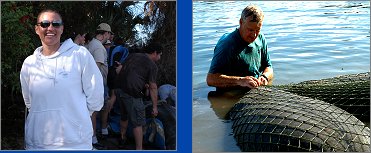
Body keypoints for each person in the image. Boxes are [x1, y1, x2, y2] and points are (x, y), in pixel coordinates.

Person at [19, 9, 104, 150]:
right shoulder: (29, 63)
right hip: (37, 144)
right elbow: (30, 102)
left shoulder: (79, 55)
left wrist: (75, 117)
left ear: (62, 28)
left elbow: (96, 97)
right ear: (37, 29)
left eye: (56, 24)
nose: (50, 28)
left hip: (75, 144)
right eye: (45, 24)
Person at [206, 4, 273, 92]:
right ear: (241, 22)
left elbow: (269, 67)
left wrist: (265, 77)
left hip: (254, 91)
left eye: (258, 30)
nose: (254, 35)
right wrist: (240, 81)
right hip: (232, 94)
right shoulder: (227, 44)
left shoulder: (261, 38)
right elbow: (210, 79)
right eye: (250, 30)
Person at [114, 42, 162, 150]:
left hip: (118, 88)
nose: (159, 57)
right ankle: (139, 149)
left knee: (124, 116)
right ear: (155, 53)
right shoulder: (152, 65)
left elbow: (121, 70)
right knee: (138, 123)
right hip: (131, 93)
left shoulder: (133, 56)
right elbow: (153, 87)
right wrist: (154, 107)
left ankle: (122, 138)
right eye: (160, 55)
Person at [86, 22, 112, 149]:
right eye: (109, 34)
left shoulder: (92, 44)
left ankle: (98, 133)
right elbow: (96, 68)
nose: (109, 37)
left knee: (98, 110)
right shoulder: (98, 47)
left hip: (98, 85)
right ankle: (93, 139)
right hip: (97, 85)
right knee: (95, 111)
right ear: (105, 33)